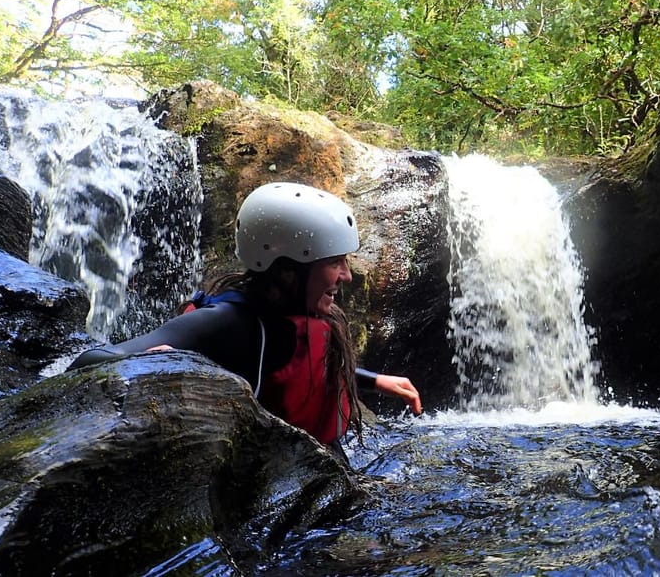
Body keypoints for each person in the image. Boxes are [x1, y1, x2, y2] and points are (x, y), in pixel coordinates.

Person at [69, 182, 422, 460]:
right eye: (335, 262)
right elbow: (86, 362)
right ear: (286, 271)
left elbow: (294, 362)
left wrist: (374, 380)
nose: (346, 276)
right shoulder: (226, 322)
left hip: (306, 468)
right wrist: (151, 363)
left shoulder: (296, 316)